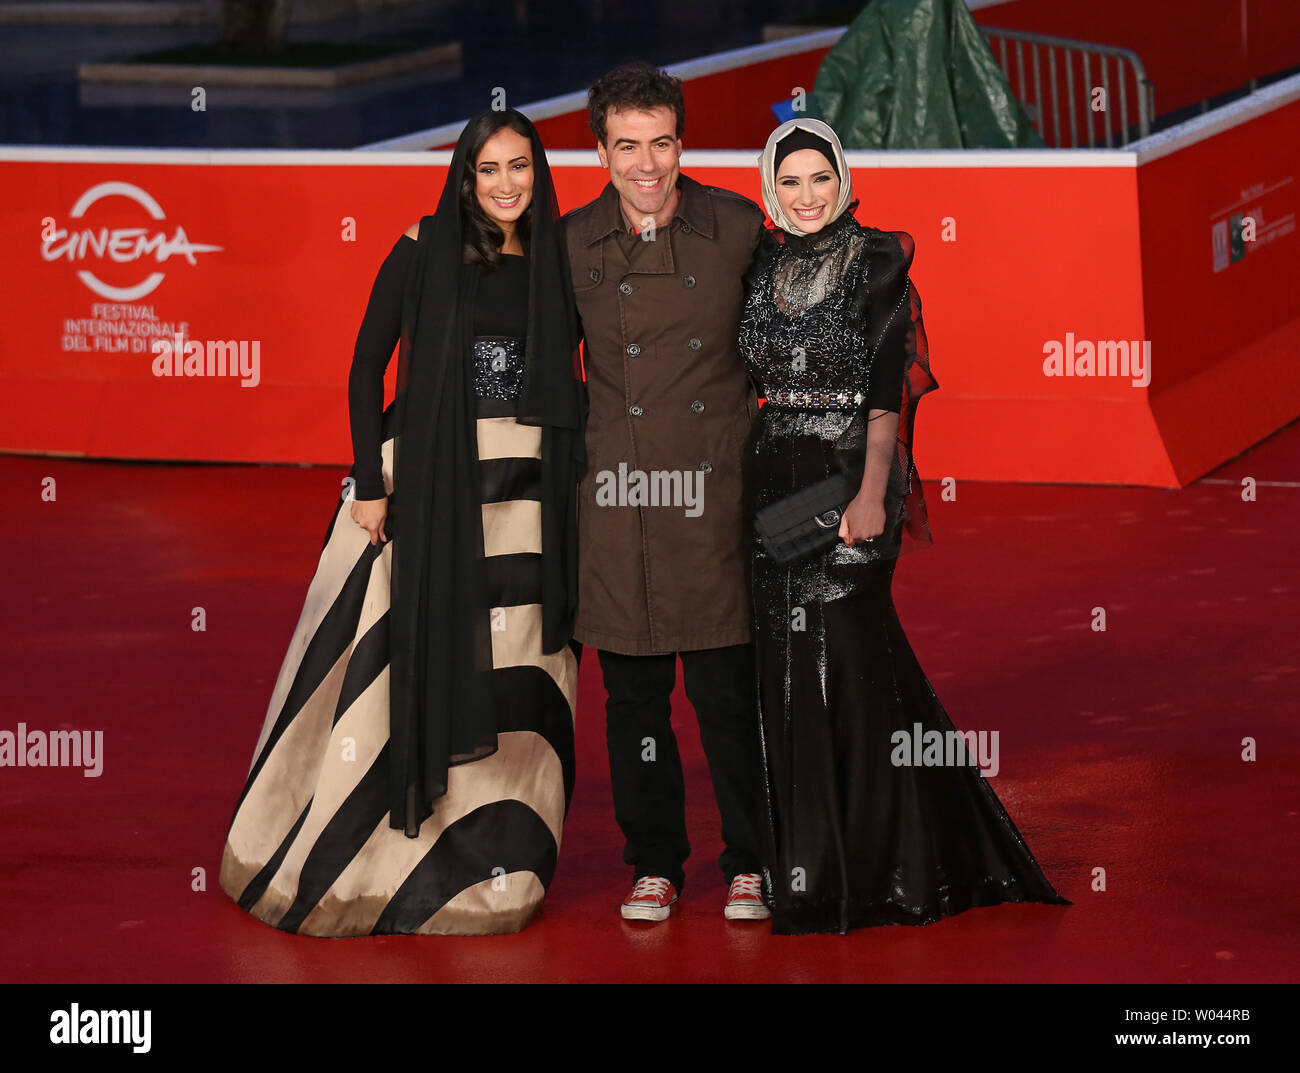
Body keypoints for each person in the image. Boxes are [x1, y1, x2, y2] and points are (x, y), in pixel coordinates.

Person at [218, 109, 586, 936]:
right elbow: (363, 367)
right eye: (487, 169)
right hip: (428, 482)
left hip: (526, 495)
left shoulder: (558, 259)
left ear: (539, 171)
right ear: (464, 175)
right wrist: (368, 484)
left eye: (519, 166)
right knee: (402, 665)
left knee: (516, 665)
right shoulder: (422, 246)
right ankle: (371, 864)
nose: (505, 184)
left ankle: (495, 870)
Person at [739, 117, 1071, 934]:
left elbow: (887, 394)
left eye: (820, 178)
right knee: (785, 674)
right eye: (790, 181)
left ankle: (904, 860)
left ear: (842, 179)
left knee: (854, 662)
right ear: (769, 189)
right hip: (769, 476)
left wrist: (873, 495)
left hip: (850, 474)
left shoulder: (881, 258)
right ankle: (810, 871)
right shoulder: (759, 262)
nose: (807, 195)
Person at [563, 62, 770, 922]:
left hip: (715, 500)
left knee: (730, 696)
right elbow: (534, 363)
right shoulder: (572, 244)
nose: (646, 165)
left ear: (681, 141)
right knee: (634, 703)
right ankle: (654, 861)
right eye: (626, 147)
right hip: (620, 506)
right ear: (601, 150)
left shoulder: (738, 227)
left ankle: (753, 859)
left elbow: (798, 331)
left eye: (661, 143)